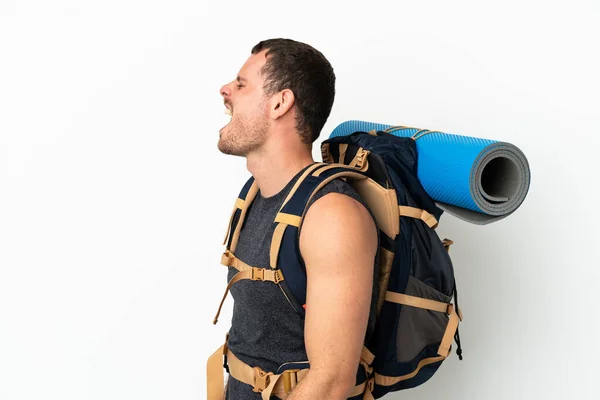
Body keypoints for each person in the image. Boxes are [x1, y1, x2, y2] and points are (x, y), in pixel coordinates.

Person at [216, 38, 380, 399]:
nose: (225, 90)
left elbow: (330, 385)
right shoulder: (256, 193)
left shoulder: (332, 215)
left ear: (280, 103)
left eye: (241, 84)